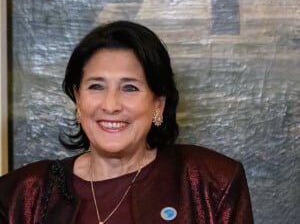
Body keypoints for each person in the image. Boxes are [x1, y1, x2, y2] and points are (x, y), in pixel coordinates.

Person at [0, 20, 254, 223]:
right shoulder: (23, 193)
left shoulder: (212, 182)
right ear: (78, 98)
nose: (111, 105)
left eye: (130, 88)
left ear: (158, 104)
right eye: (96, 86)